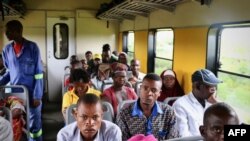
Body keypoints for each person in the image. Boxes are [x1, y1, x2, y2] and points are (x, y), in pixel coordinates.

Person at [0, 20, 44, 141]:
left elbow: (38, 74)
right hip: (15, 94)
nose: (6, 33)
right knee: (14, 120)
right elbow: (9, 72)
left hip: (31, 92)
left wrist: (37, 96)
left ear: (18, 31)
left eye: (9, 31)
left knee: (34, 124)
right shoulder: (7, 50)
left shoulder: (32, 47)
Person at [116, 73, 179, 141]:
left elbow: (173, 138)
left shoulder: (168, 112)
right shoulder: (124, 113)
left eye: (154, 90)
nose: (149, 93)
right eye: (145, 88)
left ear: (159, 93)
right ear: (140, 89)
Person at [172, 69, 222, 137]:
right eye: (211, 87)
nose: (213, 91)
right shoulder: (180, 105)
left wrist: (217, 104)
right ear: (198, 86)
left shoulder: (213, 104)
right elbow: (183, 137)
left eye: (215, 87)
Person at [57, 94, 122, 141]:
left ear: (102, 116)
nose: (90, 123)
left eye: (95, 117)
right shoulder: (64, 136)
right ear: (76, 115)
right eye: (84, 117)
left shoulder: (113, 132)